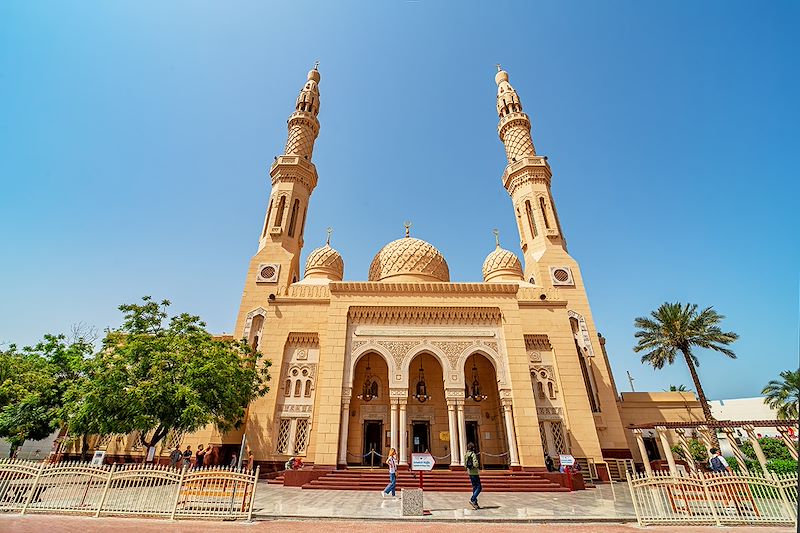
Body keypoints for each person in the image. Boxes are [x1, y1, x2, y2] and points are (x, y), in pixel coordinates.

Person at [464, 442, 482, 510]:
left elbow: (465, 465)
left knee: (474, 487)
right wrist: (477, 465)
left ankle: (475, 502)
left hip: (470, 473)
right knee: (479, 487)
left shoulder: (466, 455)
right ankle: (473, 499)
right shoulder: (473, 454)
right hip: (475, 473)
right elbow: (475, 464)